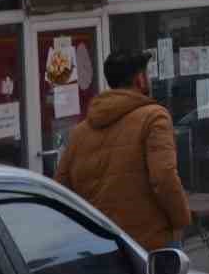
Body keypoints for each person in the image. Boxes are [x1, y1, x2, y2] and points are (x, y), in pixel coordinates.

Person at [55, 50, 192, 251]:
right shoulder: (154, 118)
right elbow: (164, 178)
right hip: (150, 244)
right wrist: (181, 220)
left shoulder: (79, 133)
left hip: (101, 245)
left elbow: (62, 191)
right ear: (140, 79)